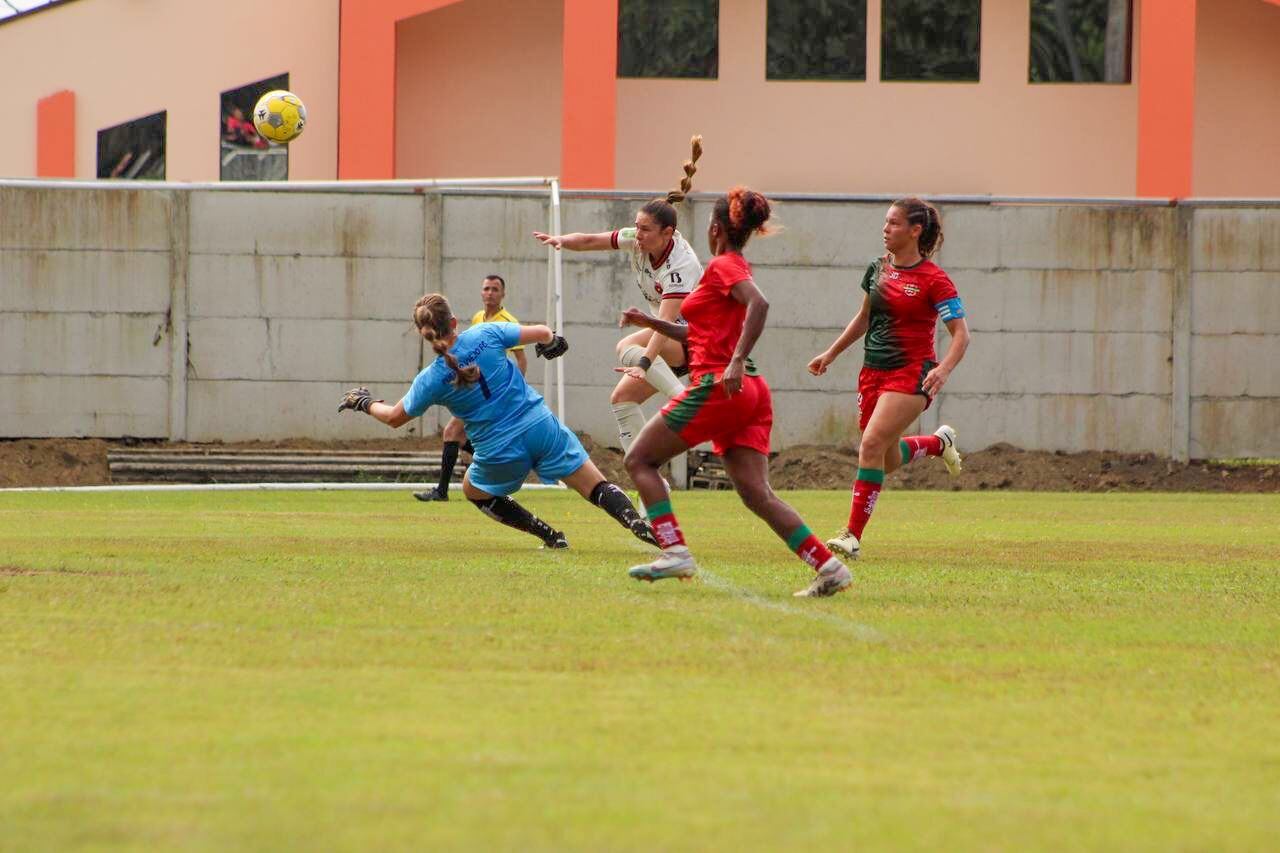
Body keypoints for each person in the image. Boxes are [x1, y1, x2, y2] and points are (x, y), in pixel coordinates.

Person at [619, 187, 854, 598]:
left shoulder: (724, 264)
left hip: (720, 385)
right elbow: (697, 332)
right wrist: (648, 320)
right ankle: (829, 567)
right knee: (756, 494)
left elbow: (759, 305)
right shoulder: (729, 267)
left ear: (714, 229)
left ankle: (674, 550)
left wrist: (736, 359)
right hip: (749, 393)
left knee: (639, 459)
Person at [340, 294, 658, 550]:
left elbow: (395, 417)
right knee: (595, 486)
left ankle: (548, 535)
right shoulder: (485, 333)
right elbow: (543, 332)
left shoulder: (431, 378)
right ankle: (635, 523)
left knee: (473, 490)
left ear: (423, 335)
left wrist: (365, 403)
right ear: (453, 322)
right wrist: (551, 342)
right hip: (540, 427)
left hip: (500, 451)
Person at [808, 197, 970, 561]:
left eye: (894, 223)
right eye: (885, 222)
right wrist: (831, 353)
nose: (885, 229)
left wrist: (942, 369)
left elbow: (961, 334)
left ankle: (851, 536)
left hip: (913, 373)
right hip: (872, 372)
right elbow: (864, 317)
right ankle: (936, 444)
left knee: (870, 444)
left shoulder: (935, 280)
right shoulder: (876, 268)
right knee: (883, 458)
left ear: (915, 231)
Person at [532, 136, 703, 459]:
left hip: (692, 338)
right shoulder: (637, 240)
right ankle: (645, 470)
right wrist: (560, 240)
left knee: (626, 347)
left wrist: (644, 362)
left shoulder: (680, 265)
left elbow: (666, 322)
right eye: (636, 227)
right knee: (622, 400)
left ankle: (685, 400)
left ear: (667, 234)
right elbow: (590, 240)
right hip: (666, 337)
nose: (637, 235)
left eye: (645, 230)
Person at [414, 274, 526, 502]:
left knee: (452, 433)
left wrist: (512, 388)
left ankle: (443, 491)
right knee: (460, 437)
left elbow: (521, 359)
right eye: (486, 288)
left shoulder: (508, 320)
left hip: (493, 390)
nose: (490, 293)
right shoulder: (478, 317)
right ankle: (501, 468)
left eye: (495, 289)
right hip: (473, 387)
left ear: (503, 294)